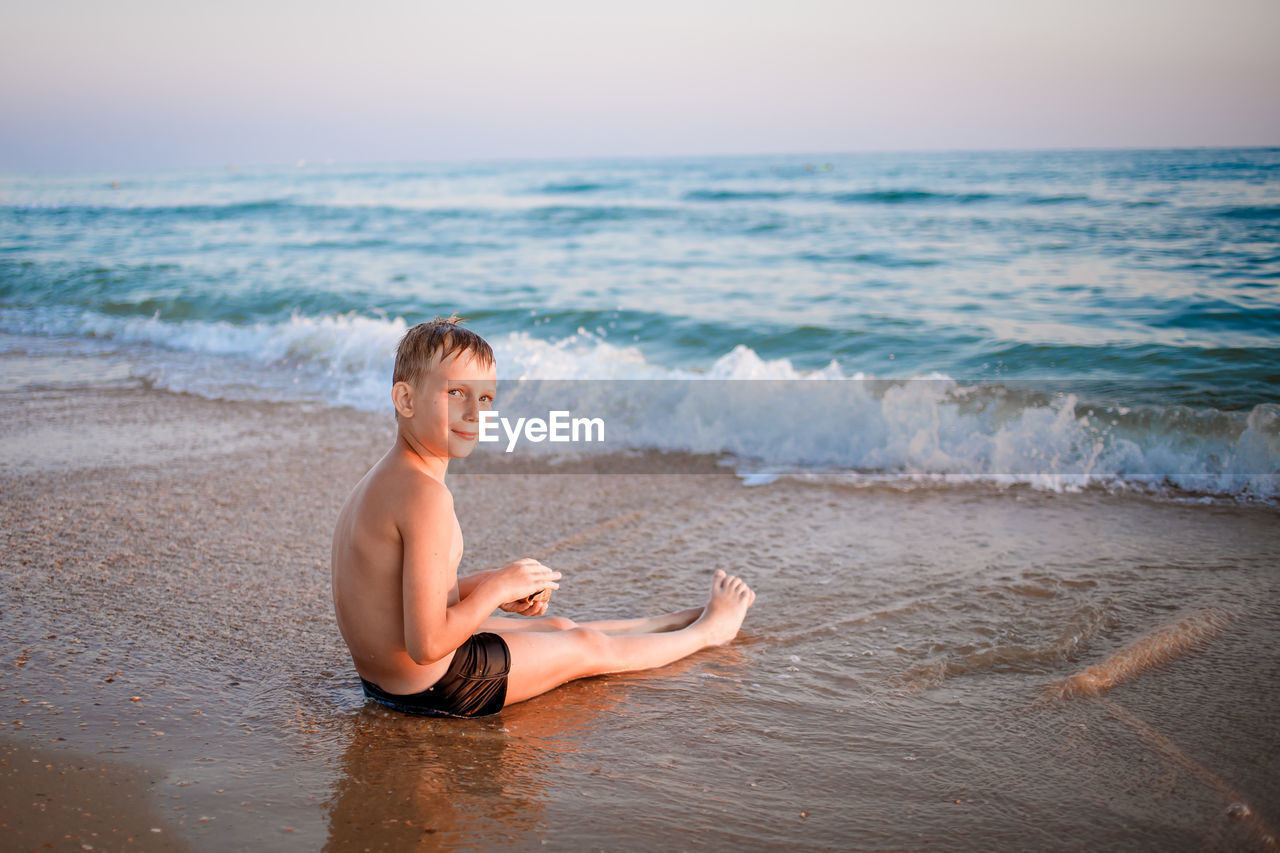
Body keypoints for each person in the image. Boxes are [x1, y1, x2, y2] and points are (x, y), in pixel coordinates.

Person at [331, 316, 756, 717]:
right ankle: (708, 632)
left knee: (558, 626)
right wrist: (497, 587)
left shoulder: (384, 479)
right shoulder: (426, 497)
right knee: (585, 646)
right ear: (406, 399)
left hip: (383, 680)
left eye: (485, 398)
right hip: (436, 685)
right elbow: (427, 643)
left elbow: (398, 593)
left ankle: (669, 623)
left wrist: (493, 586)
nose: (475, 413)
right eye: (455, 393)